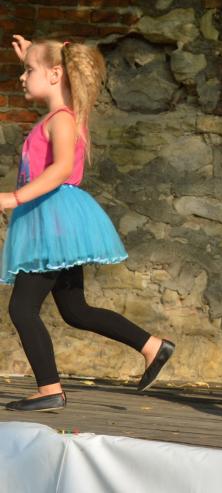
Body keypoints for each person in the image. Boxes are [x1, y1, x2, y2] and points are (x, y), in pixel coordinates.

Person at [1, 35, 174, 412]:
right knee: (75, 310)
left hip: (53, 223)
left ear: (55, 74)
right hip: (53, 221)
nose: (22, 77)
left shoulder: (62, 119)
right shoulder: (60, 115)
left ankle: (49, 389)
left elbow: (62, 168)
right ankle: (152, 346)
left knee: (22, 309)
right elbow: (53, 75)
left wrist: (14, 198)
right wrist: (34, 56)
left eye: (28, 71)